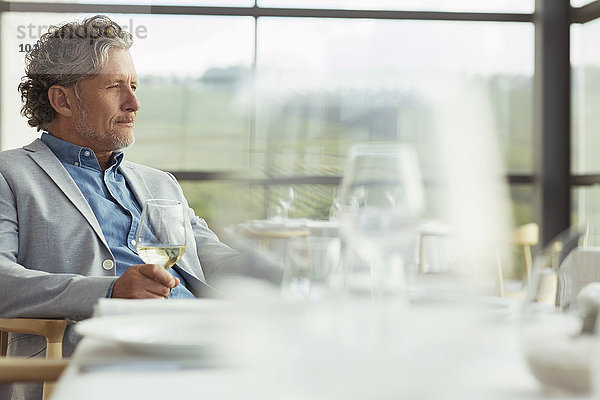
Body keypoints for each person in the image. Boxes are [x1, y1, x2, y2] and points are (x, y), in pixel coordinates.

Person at [0, 15, 272, 400]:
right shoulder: (9, 174)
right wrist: (109, 292)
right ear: (61, 100)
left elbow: (209, 256)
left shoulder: (160, 182)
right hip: (98, 362)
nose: (134, 103)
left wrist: (288, 269)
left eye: (134, 85)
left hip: (204, 345)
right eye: (114, 87)